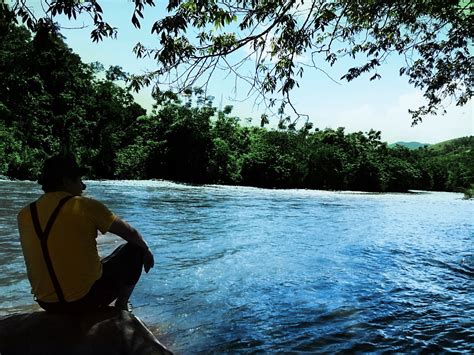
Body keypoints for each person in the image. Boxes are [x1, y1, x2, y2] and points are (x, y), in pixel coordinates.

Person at [17, 153, 155, 313]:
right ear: (66, 181)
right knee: (135, 249)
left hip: (46, 303)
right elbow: (131, 233)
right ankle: (121, 306)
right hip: (86, 300)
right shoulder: (85, 205)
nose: (83, 186)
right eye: (79, 180)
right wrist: (147, 250)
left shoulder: (25, 214)